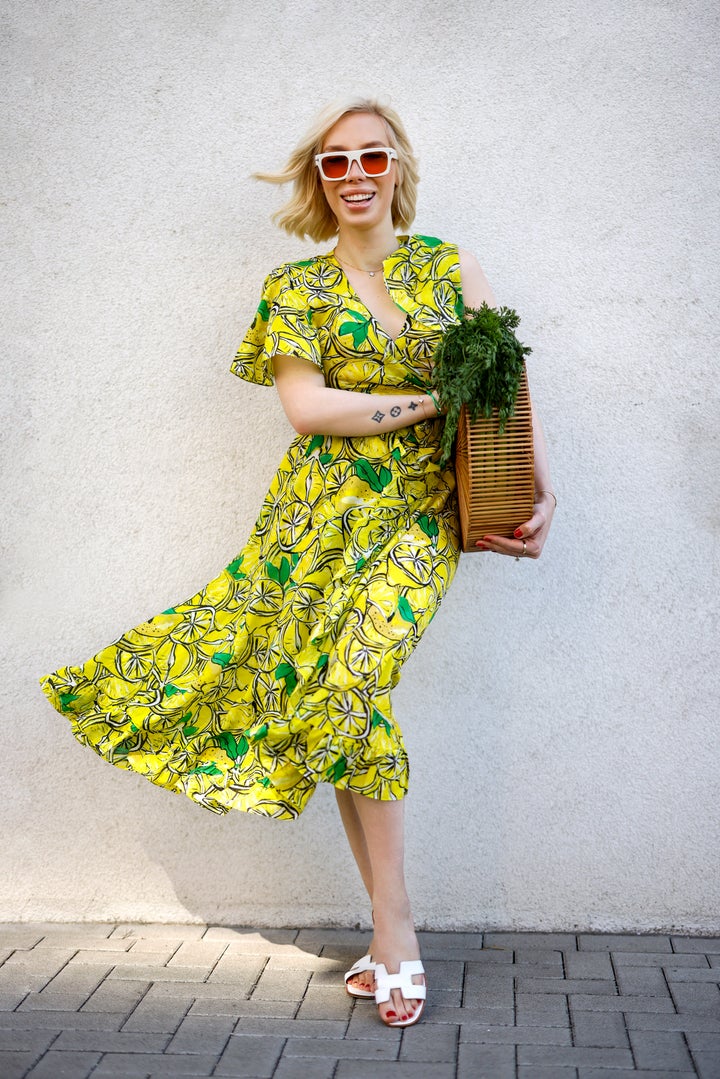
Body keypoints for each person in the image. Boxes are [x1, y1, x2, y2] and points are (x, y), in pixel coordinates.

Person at [40, 96, 555, 1028]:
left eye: (372, 157)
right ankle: (388, 932)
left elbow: (503, 381)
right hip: (310, 524)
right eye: (335, 162)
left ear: (399, 166)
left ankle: (393, 931)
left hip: (419, 519)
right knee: (323, 699)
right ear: (318, 180)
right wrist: (436, 401)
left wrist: (536, 487)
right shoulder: (294, 288)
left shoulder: (452, 267)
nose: (356, 174)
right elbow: (310, 411)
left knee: (352, 686)